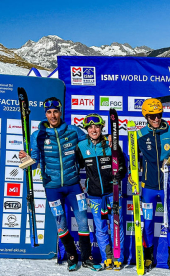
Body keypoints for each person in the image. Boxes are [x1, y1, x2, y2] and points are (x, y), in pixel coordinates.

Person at [19, 97, 102, 272]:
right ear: (45, 114)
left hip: (73, 186)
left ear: (60, 111)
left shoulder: (72, 131)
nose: (52, 115)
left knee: (83, 222)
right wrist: (25, 159)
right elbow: (34, 162)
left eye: (55, 111)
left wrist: (107, 142)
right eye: (49, 112)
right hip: (52, 188)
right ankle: (72, 256)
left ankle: (86, 258)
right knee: (61, 224)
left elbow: (90, 142)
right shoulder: (38, 135)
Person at [131, 98, 170, 275]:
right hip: (149, 188)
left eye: (159, 115)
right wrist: (132, 173)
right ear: (146, 116)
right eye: (152, 116)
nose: (156, 118)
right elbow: (133, 157)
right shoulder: (139, 134)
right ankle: (148, 257)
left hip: (168, 186)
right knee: (148, 222)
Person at [76, 113, 127, 270]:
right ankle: (107, 258)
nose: (93, 129)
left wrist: (120, 173)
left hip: (113, 192)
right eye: (90, 127)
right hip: (94, 194)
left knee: (116, 225)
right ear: (86, 129)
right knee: (100, 227)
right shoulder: (82, 147)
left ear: (101, 128)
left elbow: (123, 166)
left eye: (96, 126)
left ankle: (118, 256)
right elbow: (76, 166)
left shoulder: (111, 144)